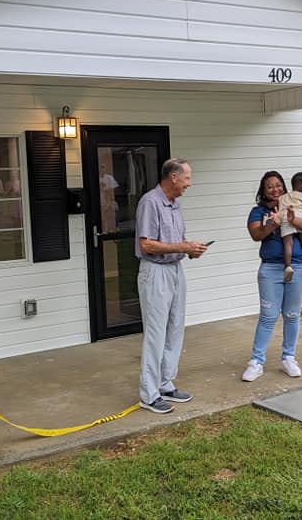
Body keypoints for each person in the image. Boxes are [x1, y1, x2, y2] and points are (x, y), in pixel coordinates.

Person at [135, 158, 208, 414]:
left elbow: (176, 242)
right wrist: (182, 247)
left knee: (175, 328)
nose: (189, 183)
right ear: (173, 177)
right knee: (156, 333)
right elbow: (146, 244)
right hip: (155, 271)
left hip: (175, 269)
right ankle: (149, 394)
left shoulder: (175, 205)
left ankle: (165, 383)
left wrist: (191, 250)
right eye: (187, 178)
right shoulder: (150, 202)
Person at [241, 171, 302, 382]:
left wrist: (293, 220)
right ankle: (256, 361)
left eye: (278, 185)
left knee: (292, 314)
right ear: (263, 191)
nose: (275, 189)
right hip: (271, 269)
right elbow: (256, 234)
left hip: (300, 267)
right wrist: (274, 223)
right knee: (268, 315)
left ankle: (288, 358)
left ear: (284, 187)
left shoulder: (295, 203)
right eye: (270, 186)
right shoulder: (258, 211)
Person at [278, 172, 302, 283]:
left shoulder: (282, 197)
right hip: (299, 216)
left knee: (288, 244)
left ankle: (288, 267)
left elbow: (280, 210)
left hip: (285, 216)